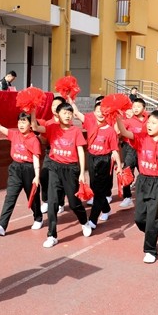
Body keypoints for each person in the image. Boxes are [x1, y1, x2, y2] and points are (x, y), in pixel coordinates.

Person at [115, 110, 158, 263]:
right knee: (139, 218)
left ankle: (150, 250)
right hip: (143, 181)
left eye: (153, 123)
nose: (149, 125)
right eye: (148, 122)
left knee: (153, 217)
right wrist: (116, 117)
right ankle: (152, 231)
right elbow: (123, 132)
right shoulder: (141, 138)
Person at [31, 102, 91, 248]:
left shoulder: (75, 131)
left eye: (70, 113)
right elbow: (35, 127)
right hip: (54, 167)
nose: (68, 115)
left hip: (70, 169)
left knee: (73, 202)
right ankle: (52, 235)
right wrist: (33, 110)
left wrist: (82, 172)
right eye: (65, 112)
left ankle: (84, 222)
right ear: (58, 114)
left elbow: (81, 152)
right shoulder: (52, 127)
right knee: (52, 203)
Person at [0, 108, 43, 235]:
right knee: (10, 197)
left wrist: (37, 176)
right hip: (15, 169)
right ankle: (2, 225)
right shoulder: (14, 134)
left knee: (32, 197)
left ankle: (38, 218)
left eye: (24, 122)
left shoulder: (34, 139)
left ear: (30, 124)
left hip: (30, 170)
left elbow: (36, 157)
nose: (21, 124)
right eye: (19, 122)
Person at [72, 96, 120, 227]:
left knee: (99, 191)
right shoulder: (89, 122)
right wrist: (70, 100)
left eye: (103, 112)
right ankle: (106, 209)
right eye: (98, 111)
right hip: (91, 158)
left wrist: (119, 167)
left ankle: (93, 219)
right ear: (94, 112)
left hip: (104, 160)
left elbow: (115, 149)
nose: (100, 114)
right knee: (95, 187)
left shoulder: (110, 130)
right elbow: (76, 113)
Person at [117, 98, 148, 208]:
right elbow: (120, 131)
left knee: (145, 173)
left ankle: (147, 194)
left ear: (144, 108)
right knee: (127, 171)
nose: (135, 109)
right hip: (130, 149)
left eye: (138, 107)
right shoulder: (128, 121)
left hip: (144, 150)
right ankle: (127, 197)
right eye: (134, 107)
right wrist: (117, 117)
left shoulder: (149, 120)